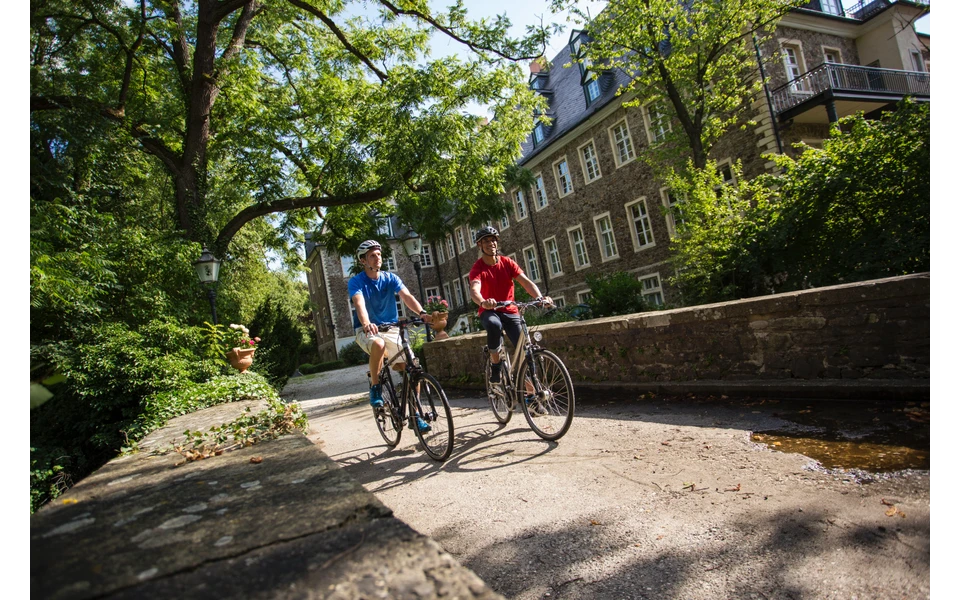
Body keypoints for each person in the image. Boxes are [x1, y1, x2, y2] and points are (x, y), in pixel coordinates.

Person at [349, 240, 433, 431]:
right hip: (368, 331)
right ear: (363, 261)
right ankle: (376, 388)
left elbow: (407, 296)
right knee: (378, 345)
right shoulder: (357, 281)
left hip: (392, 329)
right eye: (372, 255)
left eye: (378, 254)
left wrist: (422, 313)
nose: (377, 258)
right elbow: (359, 302)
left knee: (411, 368)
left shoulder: (390, 278)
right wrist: (366, 323)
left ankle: (415, 414)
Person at [468, 226, 552, 385]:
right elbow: (474, 290)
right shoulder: (478, 268)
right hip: (490, 310)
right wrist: (483, 302)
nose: (490, 243)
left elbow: (527, 283)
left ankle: (532, 394)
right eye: (485, 241)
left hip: (510, 310)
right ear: (479, 245)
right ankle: (495, 363)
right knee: (494, 324)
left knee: (524, 352)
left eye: (493, 240)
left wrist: (540, 298)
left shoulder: (507, 262)